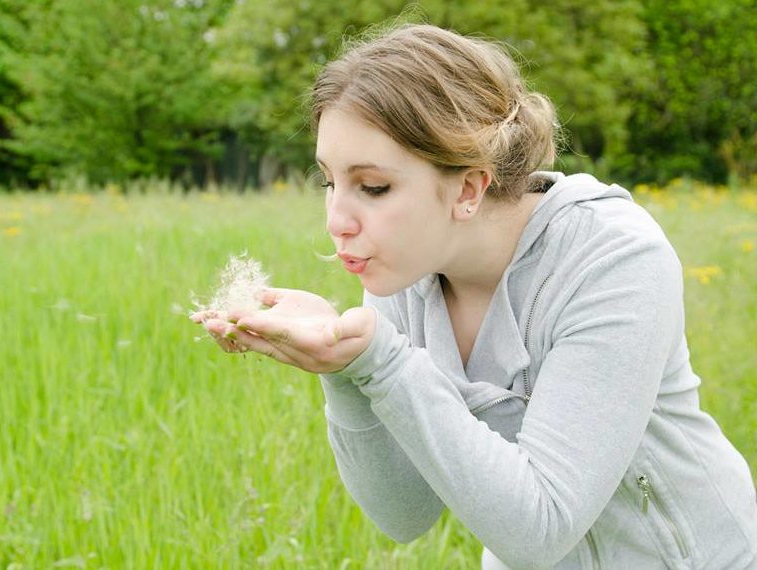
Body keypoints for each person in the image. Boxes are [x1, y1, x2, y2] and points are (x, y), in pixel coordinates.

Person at [190, 24, 757, 569]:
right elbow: (404, 516)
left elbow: (542, 528)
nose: (337, 219)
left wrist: (381, 363)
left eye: (374, 187)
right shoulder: (404, 273)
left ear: (468, 187)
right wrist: (346, 372)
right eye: (329, 182)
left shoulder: (614, 259)